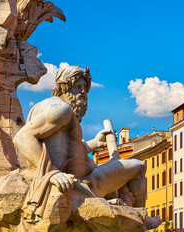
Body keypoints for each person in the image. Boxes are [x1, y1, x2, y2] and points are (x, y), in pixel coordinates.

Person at [13, 66, 147, 221]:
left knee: (119, 185)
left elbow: (66, 152)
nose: (83, 93)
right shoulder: (61, 110)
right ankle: (141, 218)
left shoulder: (59, 111)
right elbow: (22, 137)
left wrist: (94, 144)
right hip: (87, 184)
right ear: (63, 88)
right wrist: (52, 174)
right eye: (77, 87)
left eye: (85, 88)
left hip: (82, 179)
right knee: (139, 167)